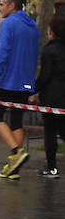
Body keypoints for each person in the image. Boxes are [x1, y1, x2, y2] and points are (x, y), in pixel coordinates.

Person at [0, 0, 40, 179]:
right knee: (17, 120)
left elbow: (2, 54)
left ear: (12, 6)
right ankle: (14, 167)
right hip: (25, 83)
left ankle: (16, 152)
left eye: (2, 4)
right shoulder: (33, 26)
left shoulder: (8, 23)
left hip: (7, 81)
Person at [33, 17, 65, 177]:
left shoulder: (48, 51)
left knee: (50, 132)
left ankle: (52, 168)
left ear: (52, 32)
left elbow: (45, 76)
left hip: (52, 98)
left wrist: (32, 89)